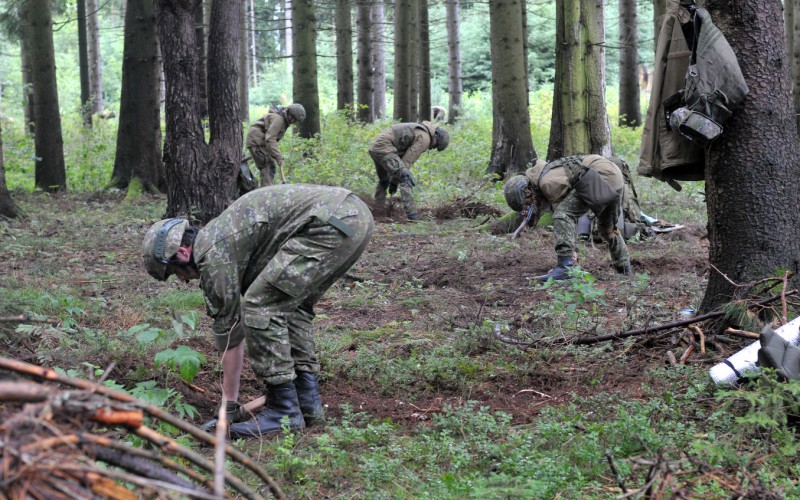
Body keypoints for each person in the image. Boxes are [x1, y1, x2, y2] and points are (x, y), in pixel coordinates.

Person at [141, 185, 374, 438]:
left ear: (183, 252)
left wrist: (228, 405)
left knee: (259, 306)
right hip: (353, 217)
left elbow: (230, 331)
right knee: (291, 306)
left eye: (175, 273)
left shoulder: (213, 253)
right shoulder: (222, 235)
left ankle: (283, 411)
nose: (183, 281)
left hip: (328, 226)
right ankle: (308, 404)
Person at [502, 154, 632, 281]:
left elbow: (565, 217)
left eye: (527, 203)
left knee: (562, 214)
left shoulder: (547, 183)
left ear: (528, 191)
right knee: (607, 228)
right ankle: (625, 270)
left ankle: (565, 267)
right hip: (614, 177)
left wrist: (570, 255)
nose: (529, 206)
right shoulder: (548, 173)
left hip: (601, 175)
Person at [368, 121, 449, 221]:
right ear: (437, 136)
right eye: (436, 145)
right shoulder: (425, 138)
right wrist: (395, 181)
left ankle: (378, 211)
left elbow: (400, 158)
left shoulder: (420, 130)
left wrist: (393, 180)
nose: (433, 148)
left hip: (376, 147)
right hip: (385, 148)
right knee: (406, 177)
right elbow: (407, 161)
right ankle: (412, 215)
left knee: (384, 181)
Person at [245, 103, 306, 187]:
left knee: (269, 166)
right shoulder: (279, 119)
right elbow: (270, 139)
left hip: (259, 141)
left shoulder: (282, 119)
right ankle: (266, 192)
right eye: (294, 119)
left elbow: (271, 139)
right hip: (257, 141)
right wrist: (278, 156)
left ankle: (265, 189)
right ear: (290, 115)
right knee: (268, 166)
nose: (294, 122)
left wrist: (276, 154)